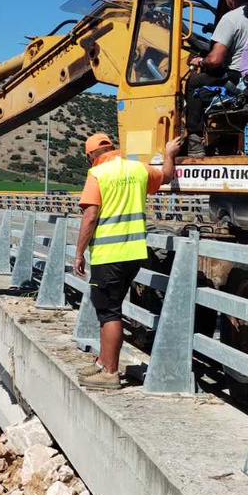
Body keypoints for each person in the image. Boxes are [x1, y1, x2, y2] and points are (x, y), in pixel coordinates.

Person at [73, 132, 182, 391]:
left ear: (91, 156)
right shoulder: (138, 169)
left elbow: (90, 216)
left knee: (108, 311)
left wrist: (79, 253)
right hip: (133, 253)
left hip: (109, 255)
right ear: (113, 148)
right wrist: (169, 154)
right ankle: (102, 362)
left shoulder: (97, 175)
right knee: (110, 307)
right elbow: (165, 176)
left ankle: (110, 372)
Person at [198, 0, 248, 76]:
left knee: (193, 82)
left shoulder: (230, 18)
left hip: (237, 77)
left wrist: (201, 61)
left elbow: (214, 60)